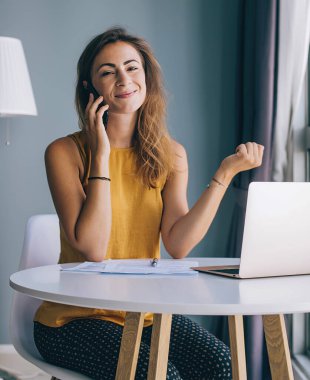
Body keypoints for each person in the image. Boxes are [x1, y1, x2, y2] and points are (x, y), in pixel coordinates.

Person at [33, 27, 264, 380]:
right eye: (108, 72)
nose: (123, 79)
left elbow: (178, 243)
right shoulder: (64, 152)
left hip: (143, 315)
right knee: (160, 374)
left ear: (146, 76)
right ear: (90, 88)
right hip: (72, 320)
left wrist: (225, 173)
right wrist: (101, 154)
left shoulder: (170, 154)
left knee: (221, 363)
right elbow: (93, 248)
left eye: (132, 67)